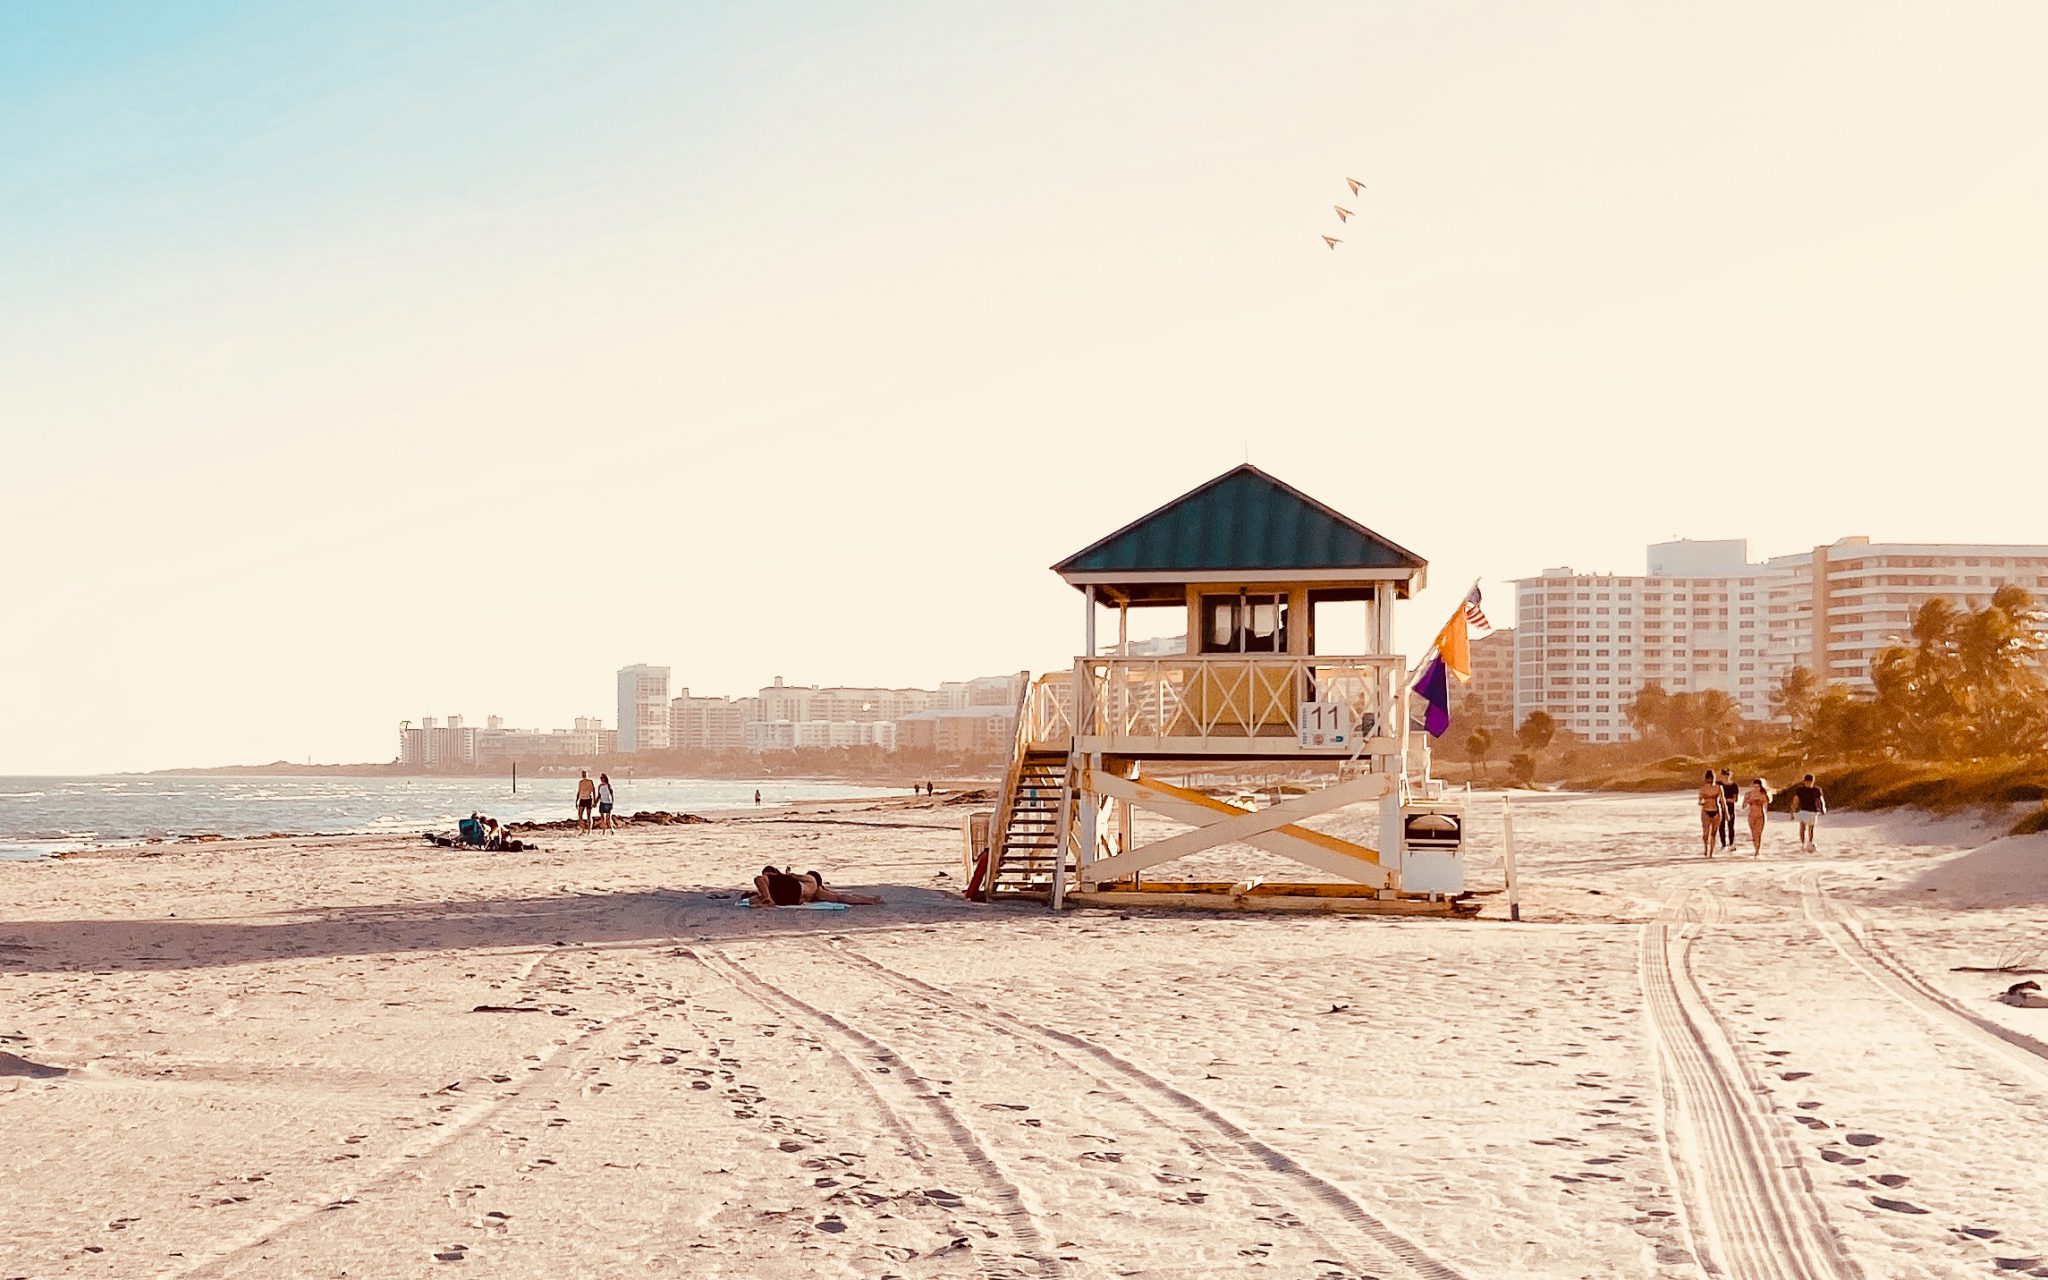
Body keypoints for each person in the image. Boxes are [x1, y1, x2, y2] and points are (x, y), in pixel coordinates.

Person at [748, 865, 883, 907]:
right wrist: (868, 899)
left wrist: (789, 874)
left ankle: (767, 899)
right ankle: (869, 900)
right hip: (795, 897)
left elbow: (795, 877)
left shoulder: (810, 880)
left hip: (795, 892)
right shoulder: (816, 892)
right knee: (838, 897)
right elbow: (841, 897)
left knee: (759, 879)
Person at [1791, 773, 1826, 852]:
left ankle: (1810, 842)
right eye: (1807, 782)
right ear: (1804, 782)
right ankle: (1803, 843)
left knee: (1811, 828)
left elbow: (1821, 799)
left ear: (1812, 782)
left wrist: (1823, 808)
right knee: (1802, 827)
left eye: (1810, 782)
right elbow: (1796, 800)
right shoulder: (1800, 790)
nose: (1808, 783)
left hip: (1813, 811)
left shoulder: (1816, 790)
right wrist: (1792, 811)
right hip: (1803, 811)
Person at [1695, 770, 1721, 858]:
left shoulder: (1718, 787)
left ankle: (1711, 853)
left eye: (1711, 778)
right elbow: (1700, 799)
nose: (1710, 780)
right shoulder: (1702, 788)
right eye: (1708, 778)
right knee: (1706, 834)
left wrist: (1727, 813)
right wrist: (1701, 802)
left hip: (1716, 811)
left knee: (1713, 833)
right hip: (1706, 810)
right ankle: (1706, 848)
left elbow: (1722, 801)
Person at [1743, 778, 1772, 856]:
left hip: (1760, 816)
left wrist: (1760, 803)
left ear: (1760, 787)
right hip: (1751, 816)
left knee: (1758, 834)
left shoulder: (1763, 795)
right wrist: (1748, 801)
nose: (1756, 788)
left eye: (1758, 787)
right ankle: (1755, 848)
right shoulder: (1748, 794)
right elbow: (1743, 806)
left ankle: (1757, 850)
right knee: (1753, 834)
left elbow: (1766, 807)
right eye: (1755, 787)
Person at [1717, 768, 1740, 852]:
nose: (1726, 776)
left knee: (1731, 826)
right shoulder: (1718, 784)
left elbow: (1735, 799)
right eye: (1725, 775)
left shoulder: (1734, 785)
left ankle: (1731, 843)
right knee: (1721, 826)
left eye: (1728, 775)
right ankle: (1723, 844)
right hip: (1719, 808)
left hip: (1730, 808)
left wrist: (1725, 800)